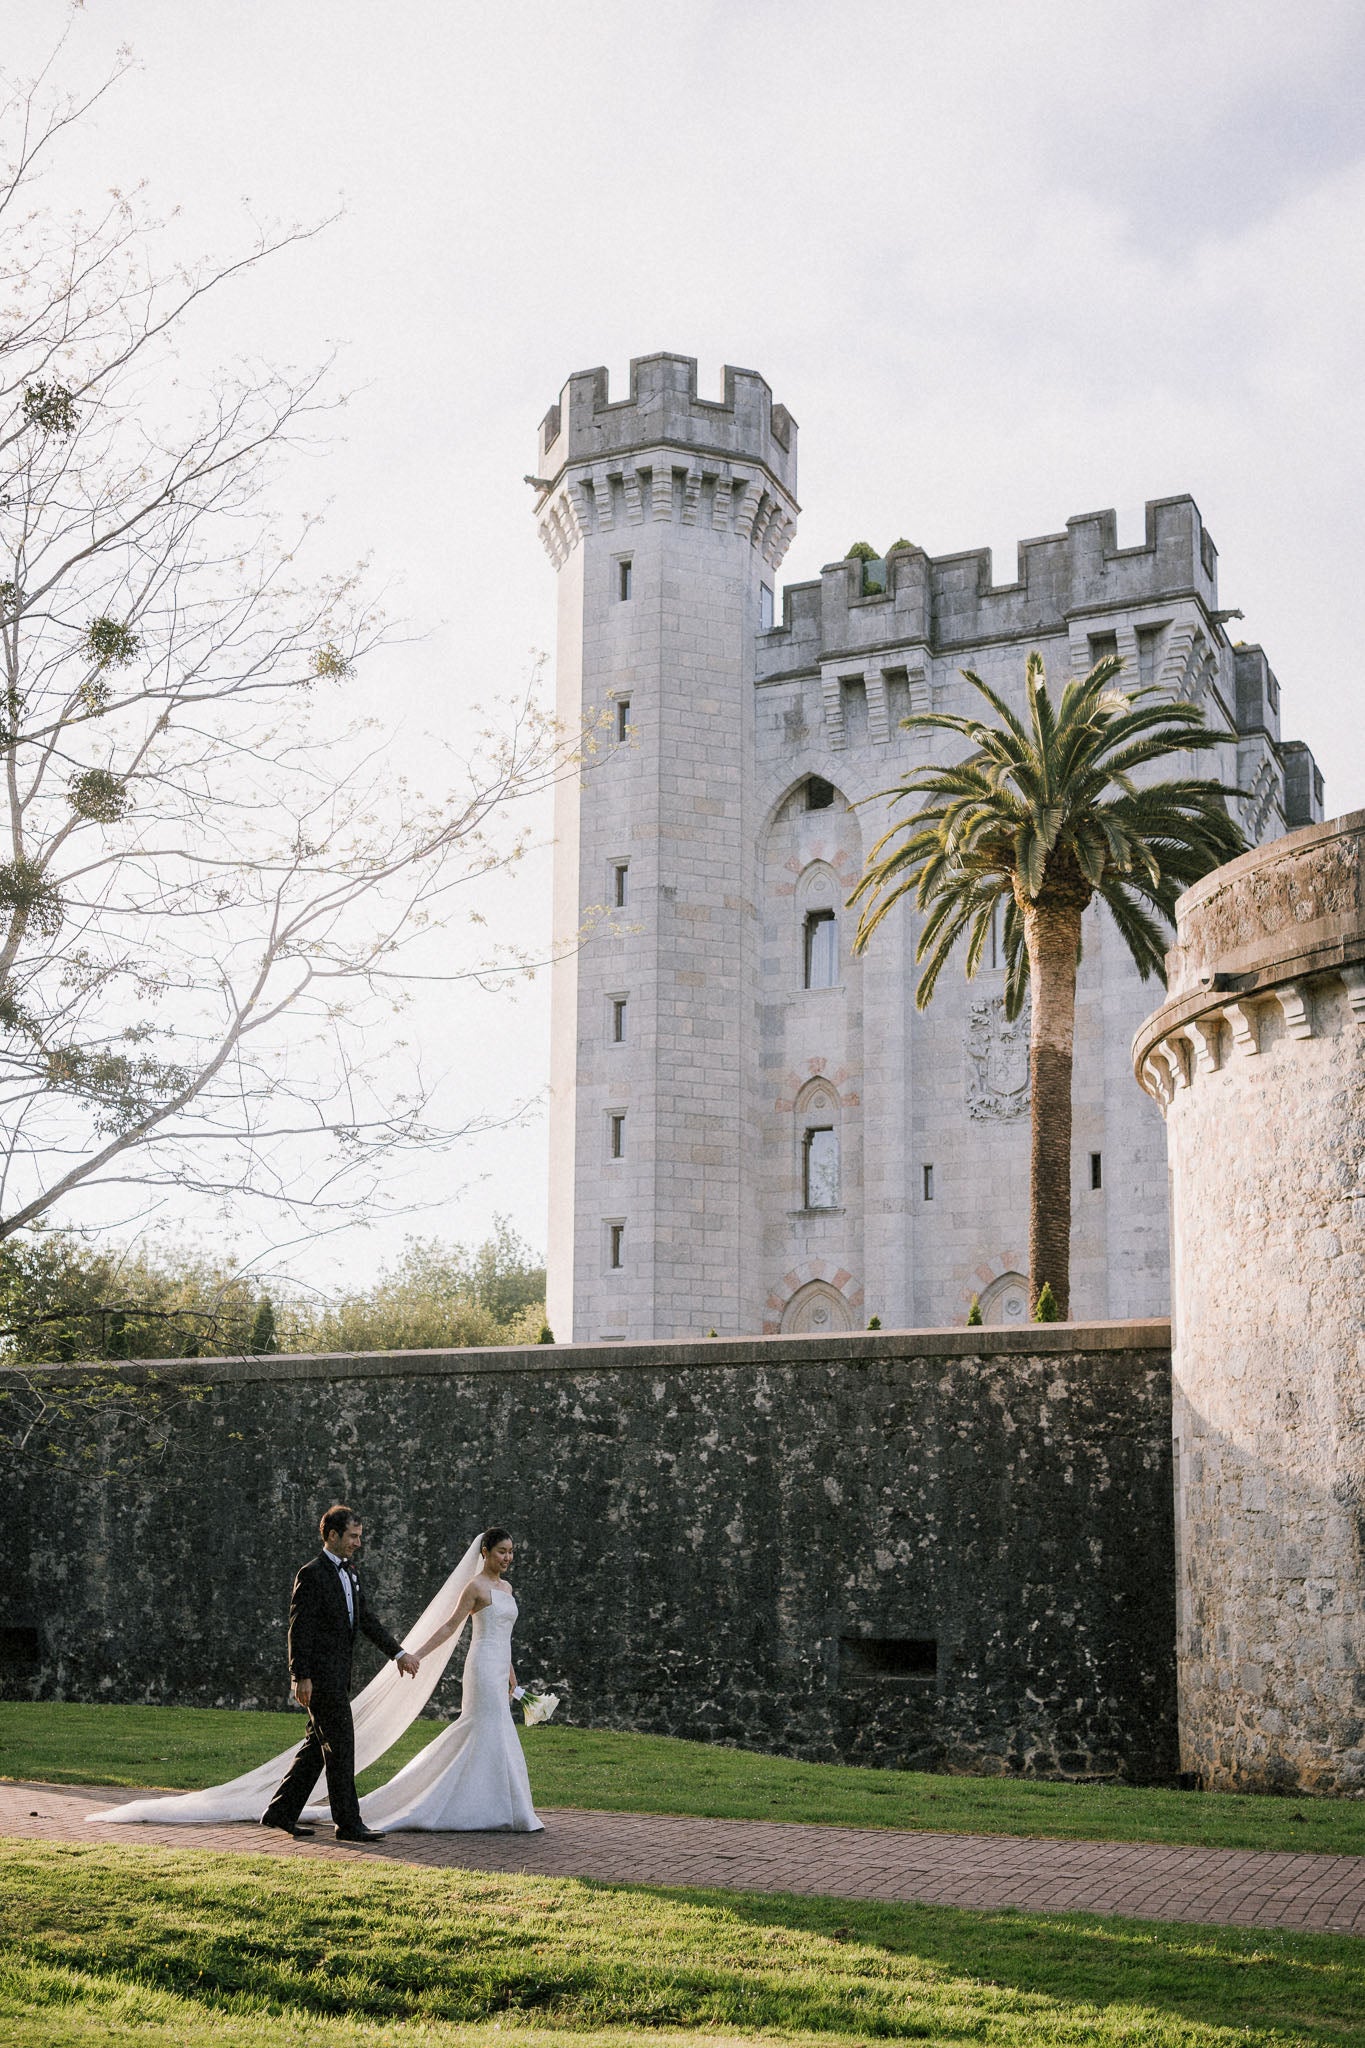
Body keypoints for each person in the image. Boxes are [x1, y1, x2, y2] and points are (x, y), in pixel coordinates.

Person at [311, 1524, 543, 1833]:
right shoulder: (475, 1587)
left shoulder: (508, 1589)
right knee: (484, 1726)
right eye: (502, 1552)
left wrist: (511, 1672)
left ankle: (495, 1805)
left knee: (496, 1730)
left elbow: (505, 1636)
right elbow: (450, 1627)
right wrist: (417, 1653)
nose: (508, 1558)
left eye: (511, 1552)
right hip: (483, 1667)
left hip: (500, 1666)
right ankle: (459, 1802)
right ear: (485, 1552)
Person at [261, 1503, 420, 1842]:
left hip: (337, 1679)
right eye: (352, 1536)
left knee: (317, 1746)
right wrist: (299, 1675)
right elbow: (298, 1630)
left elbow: (367, 1622)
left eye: (359, 1537)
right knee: (342, 1747)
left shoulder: (352, 1574)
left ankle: (280, 1811)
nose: (358, 1543)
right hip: (319, 1680)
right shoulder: (311, 1574)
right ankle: (348, 1824)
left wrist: (399, 1653)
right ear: (332, 1535)